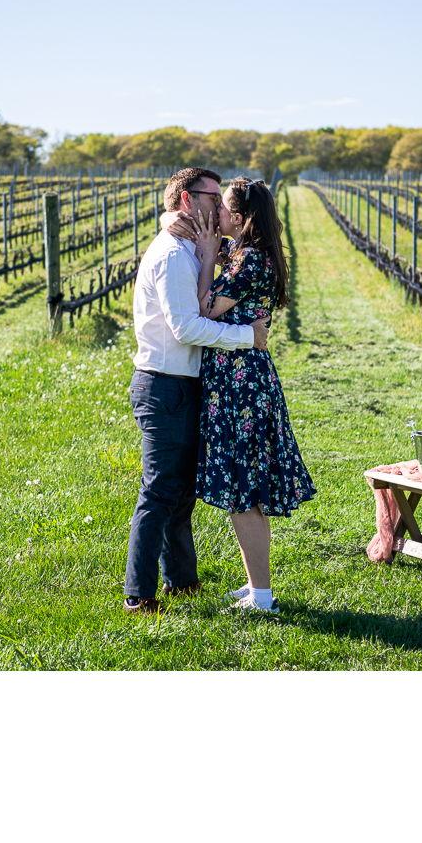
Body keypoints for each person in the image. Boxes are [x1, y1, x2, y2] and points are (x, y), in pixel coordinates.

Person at [123, 168, 270, 614]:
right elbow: (185, 328)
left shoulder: (193, 246)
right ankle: (138, 594)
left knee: (181, 492)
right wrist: (248, 337)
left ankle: (182, 582)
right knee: (159, 491)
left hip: (187, 384)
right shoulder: (172, 254)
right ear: (188, 200)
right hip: (164, 385)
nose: (221, 208)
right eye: (213, 198)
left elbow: (245, 254)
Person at [167, 176, 316, 614]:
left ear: (241, 216)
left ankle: (262, 596)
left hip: (240, 383)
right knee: (244, 489)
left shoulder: (249, 260)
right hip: (241, 377)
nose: (217, 213)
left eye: (224, 207)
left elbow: (203, 309)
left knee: (244, 492)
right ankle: (255, 585)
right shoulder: (248, 252)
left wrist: (207, 257)